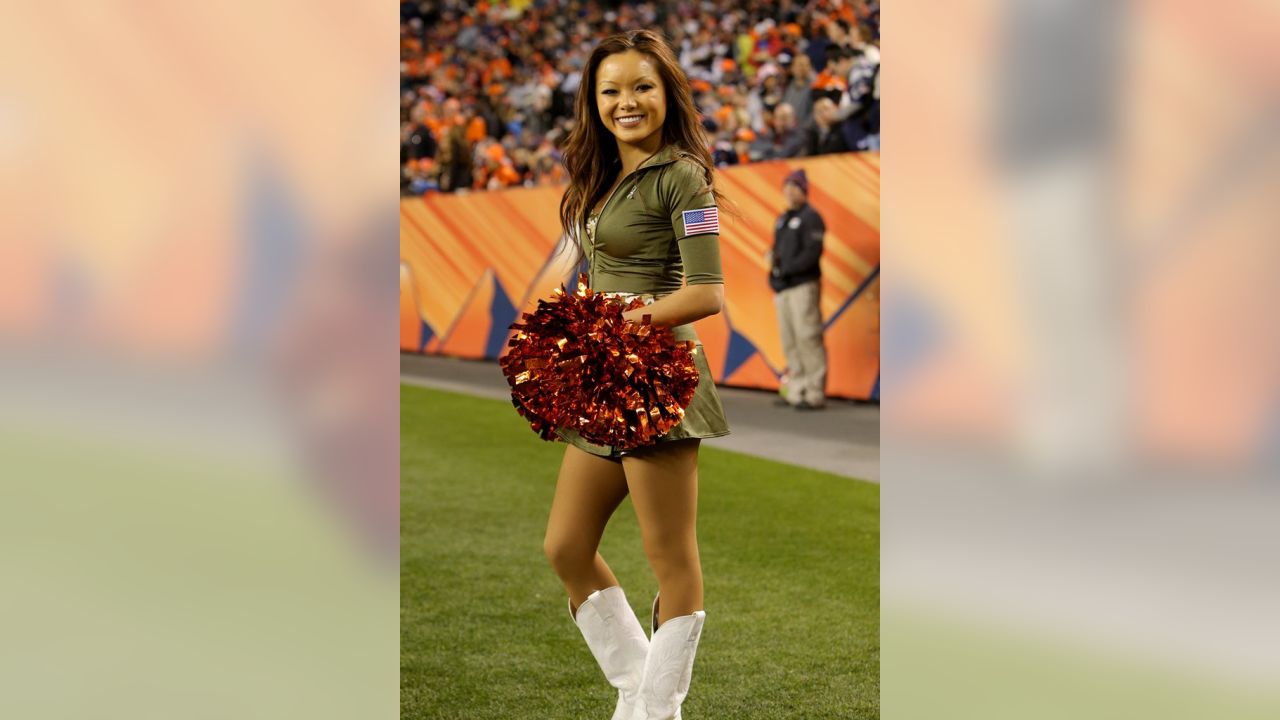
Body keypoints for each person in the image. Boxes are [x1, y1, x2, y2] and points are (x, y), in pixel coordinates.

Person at [545, 28, 731, 720]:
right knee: (565, 545)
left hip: (659, 380)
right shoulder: (604, 176)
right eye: (611, 90)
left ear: (667, 94)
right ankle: (636, 687)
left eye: (642, 87)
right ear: (593, 103)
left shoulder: (685, 176)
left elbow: (707, 292)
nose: (627, 102)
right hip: (606, 376)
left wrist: (621, 320)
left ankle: (657, 711)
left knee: (670, 556)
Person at [768, 169, 828, 410]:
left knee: (808, 337)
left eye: (795, 186)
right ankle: (796, 390)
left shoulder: (812, 217)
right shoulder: (782, 219)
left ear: (804, 190)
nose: (790, 191)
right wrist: (773, 273)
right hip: (783, 289)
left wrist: (786, 270)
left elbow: (812, 254)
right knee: (789, 339)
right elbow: (776, 252)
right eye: (787, 186)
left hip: (803, 286)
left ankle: (814, 392)